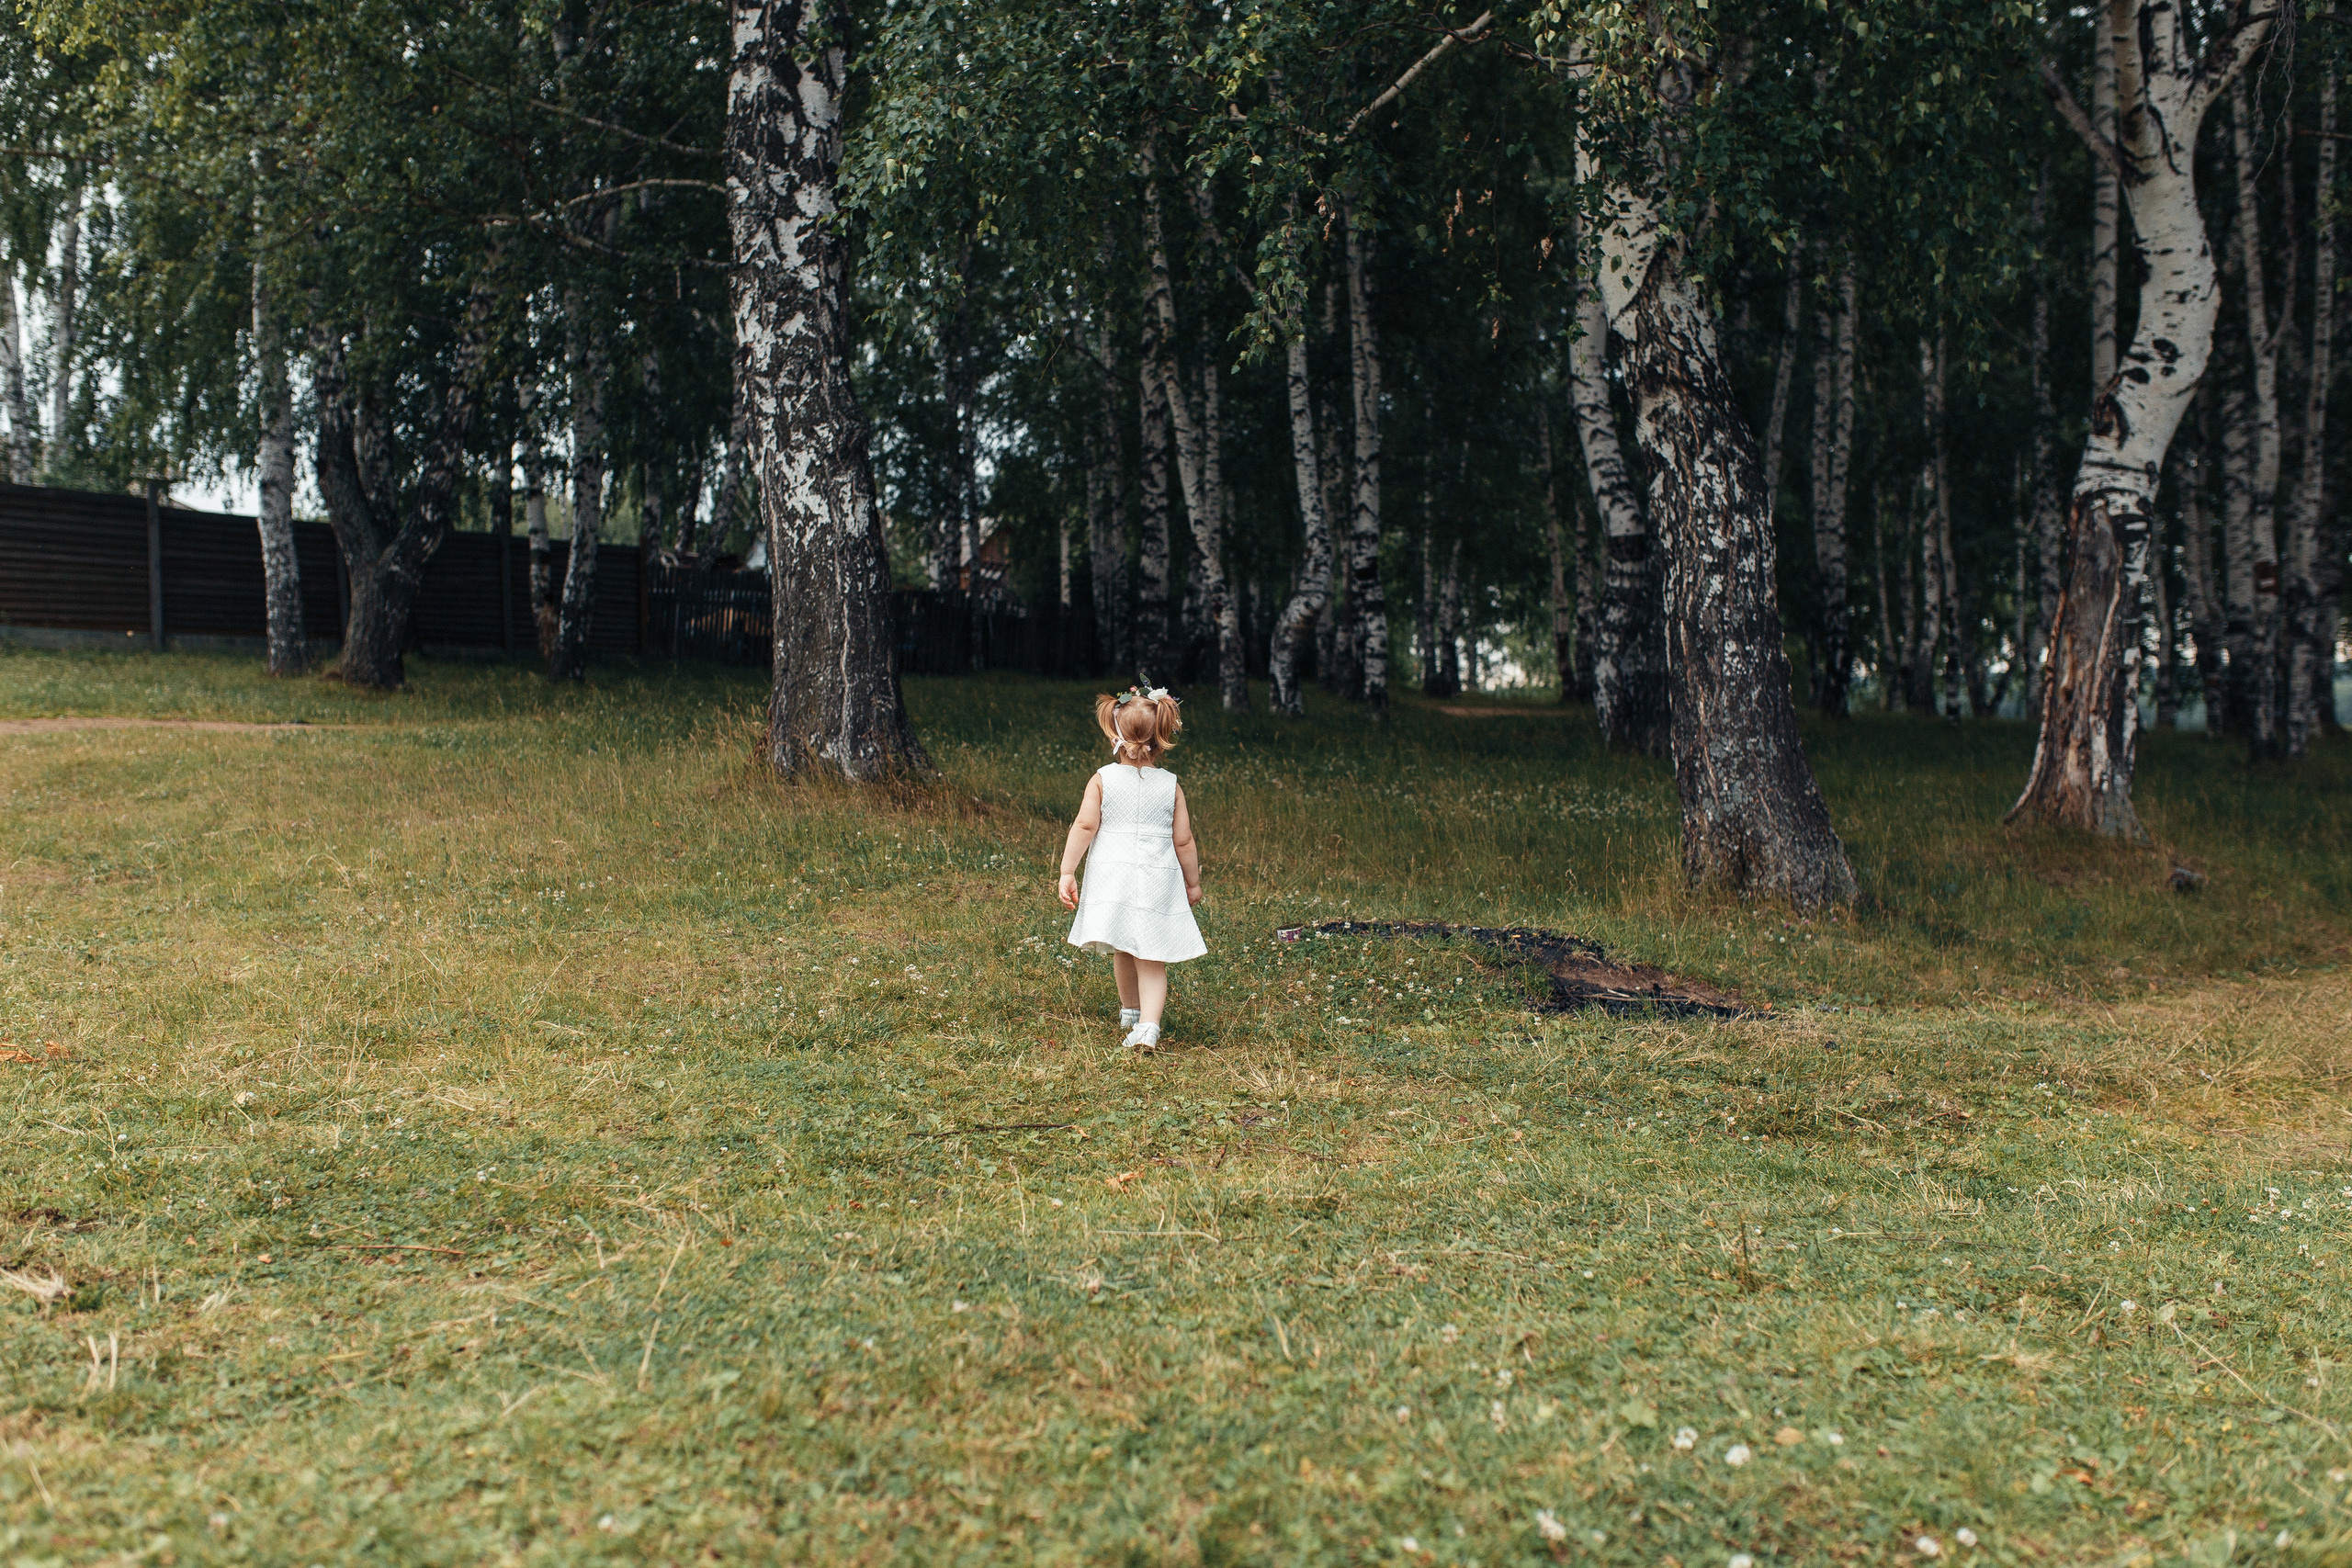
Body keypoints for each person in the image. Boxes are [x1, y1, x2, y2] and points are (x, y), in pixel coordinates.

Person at [1057, 685, 1204, 1050]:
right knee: (1150, 953)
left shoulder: (1103, 779)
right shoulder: (1170, 785)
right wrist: (1193, 883)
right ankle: (1144, 1021)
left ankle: (1136, 1015)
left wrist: (1067, 870)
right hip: (1156, 877)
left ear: (1115, 734)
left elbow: (1085, 826)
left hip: (1113, 876)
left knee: (1122, 945)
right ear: (1163, 735)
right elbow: (1183, 840)